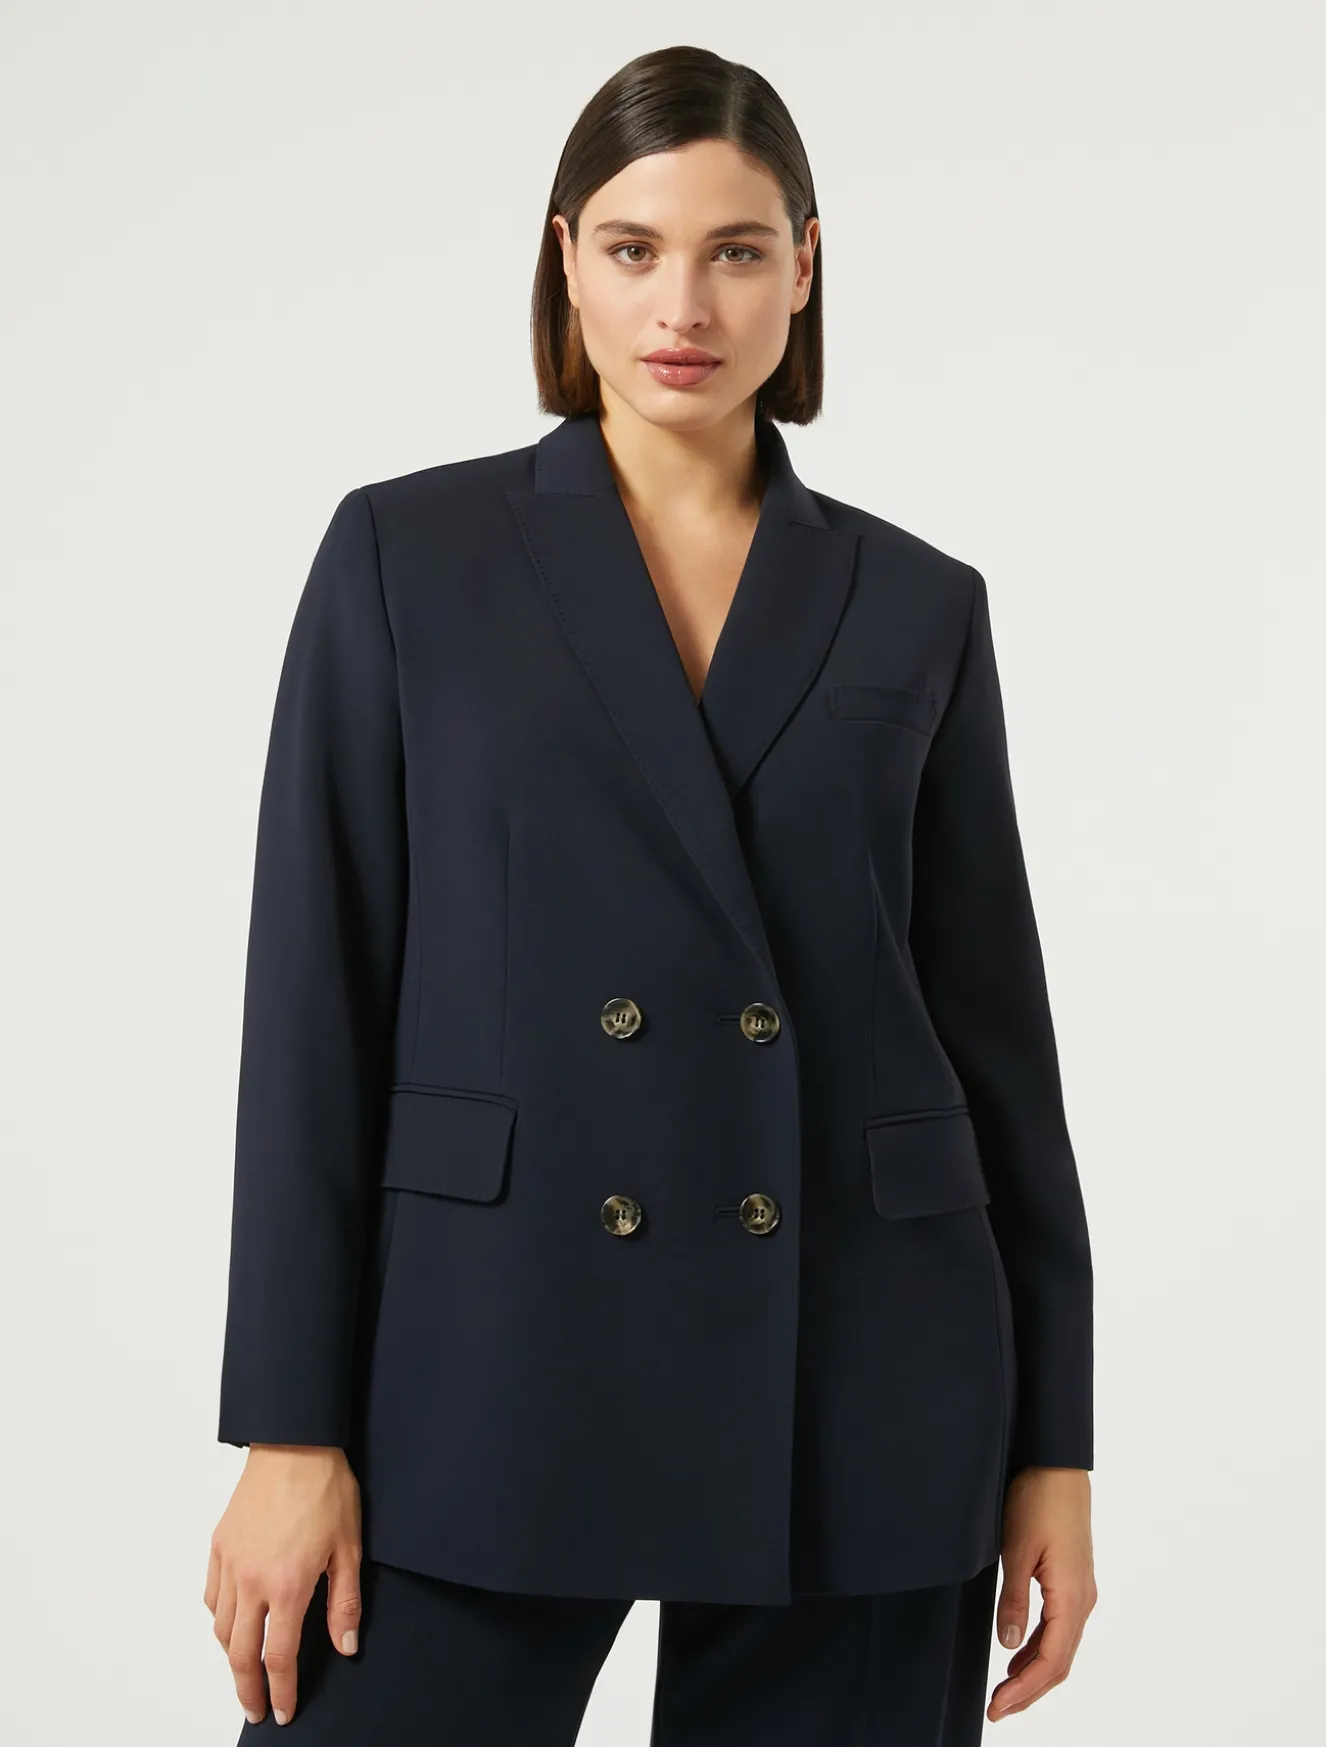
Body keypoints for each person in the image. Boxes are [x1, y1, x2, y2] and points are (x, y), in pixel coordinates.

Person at [204, 42, 1097, 1745]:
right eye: (632, 248)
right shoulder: (407, 556)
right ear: (566, 260)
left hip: (858, 1356)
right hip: (491, 1344)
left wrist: (1052, 1443)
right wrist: (287, 1427)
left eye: (736, 251)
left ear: (804, 268)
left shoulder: (919, 600)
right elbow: (314, 1004)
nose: (683, 304)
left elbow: (995, 1045)